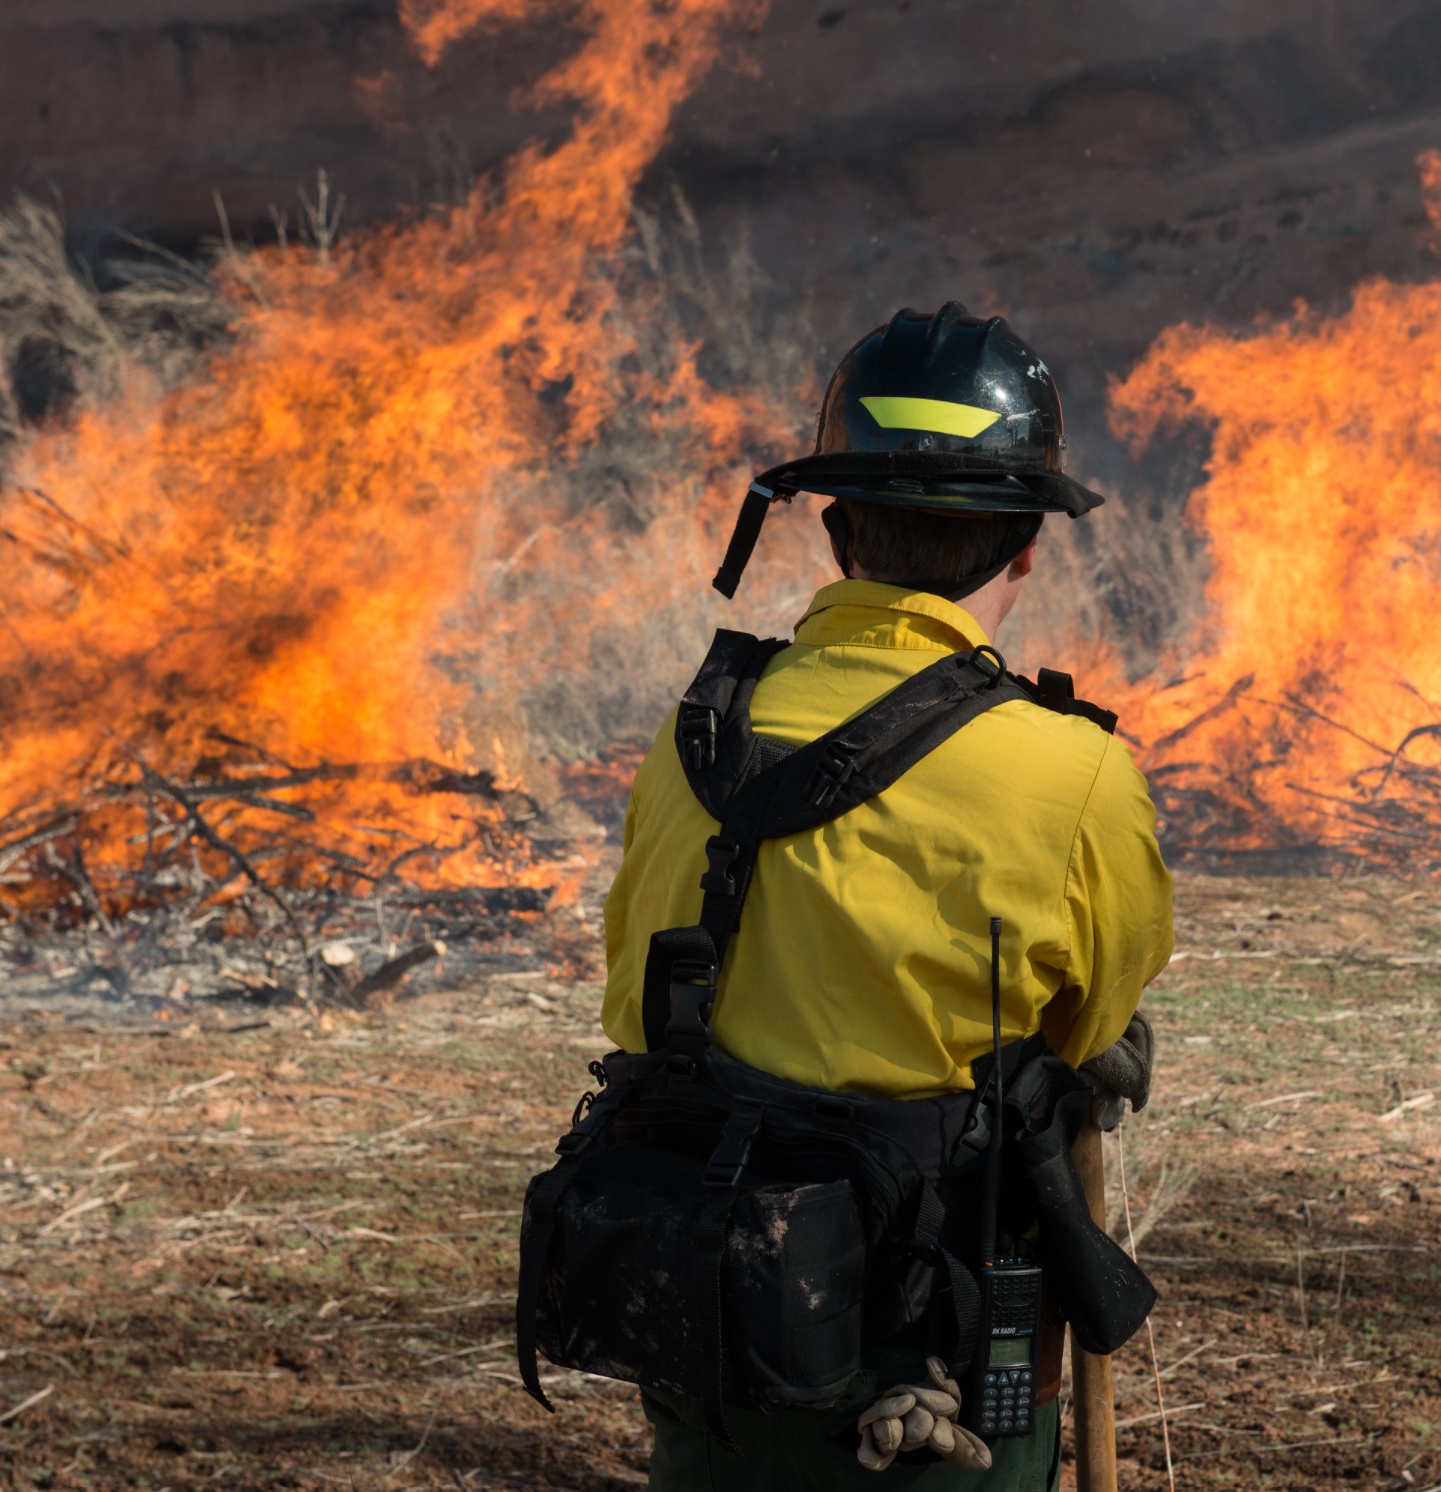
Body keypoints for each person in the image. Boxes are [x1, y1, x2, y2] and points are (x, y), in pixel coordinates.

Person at [527, 303, 1172, 1491]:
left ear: (833, 537)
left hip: (710, 1308)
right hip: (936, 1347)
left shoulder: (697, 737)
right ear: (1029, 541)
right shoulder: (1074, 772)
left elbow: (637, 1004)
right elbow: (1093, 1023)